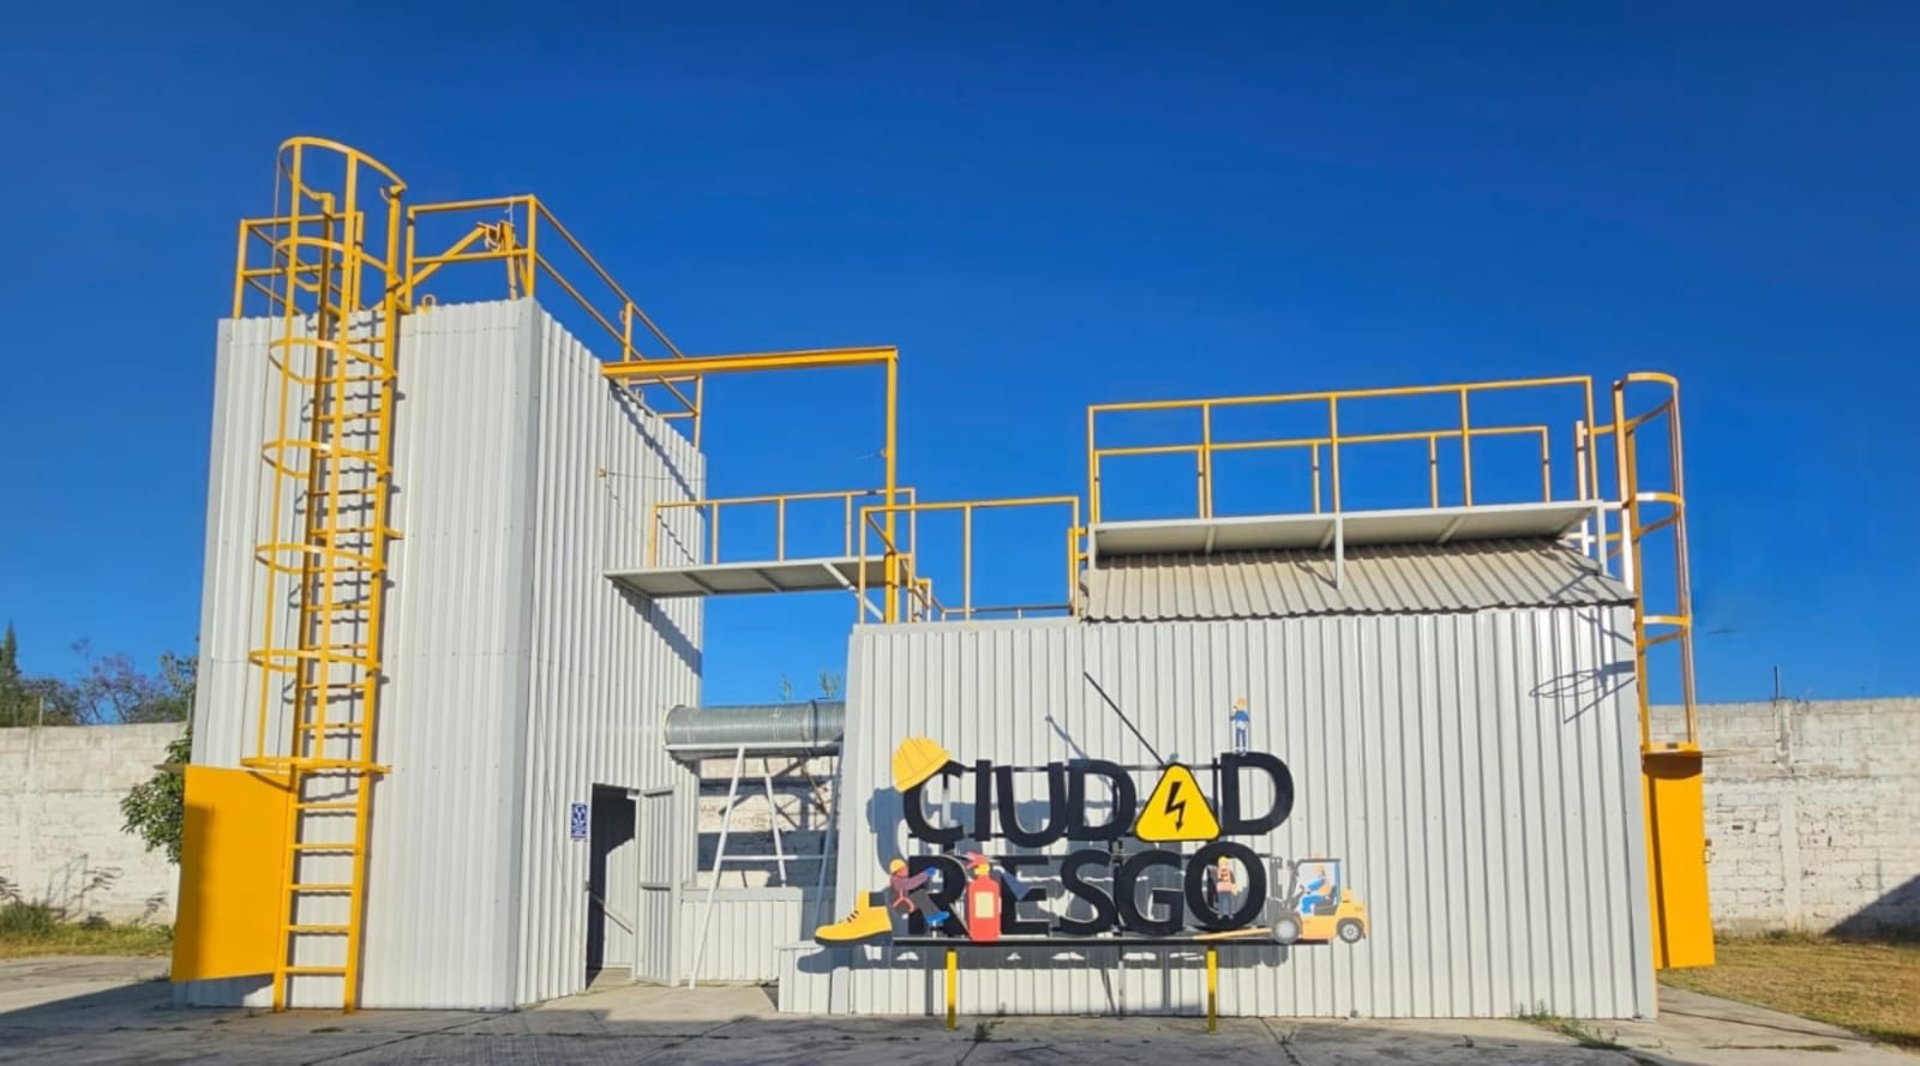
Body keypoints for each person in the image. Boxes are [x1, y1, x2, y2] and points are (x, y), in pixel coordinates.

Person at [888, 857, 951, 927]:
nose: (907, 869)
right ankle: (931, 916)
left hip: (902, 904)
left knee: (921, 895)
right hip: (900, 906)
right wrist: (925, 874)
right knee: (921, 895)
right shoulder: (897, 881)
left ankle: (934, 915)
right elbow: (911, 883)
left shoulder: (899, 879)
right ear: (898, 872)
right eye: (904, 868)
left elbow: (912, 880)